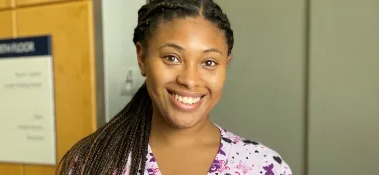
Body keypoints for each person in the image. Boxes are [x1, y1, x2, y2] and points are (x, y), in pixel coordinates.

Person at [56, 0, 293, 175]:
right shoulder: (92, 163)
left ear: (225, 67)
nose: (190, 80)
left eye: (209, 62)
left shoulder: (263, 166)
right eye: (172, 58)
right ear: (142, 58)